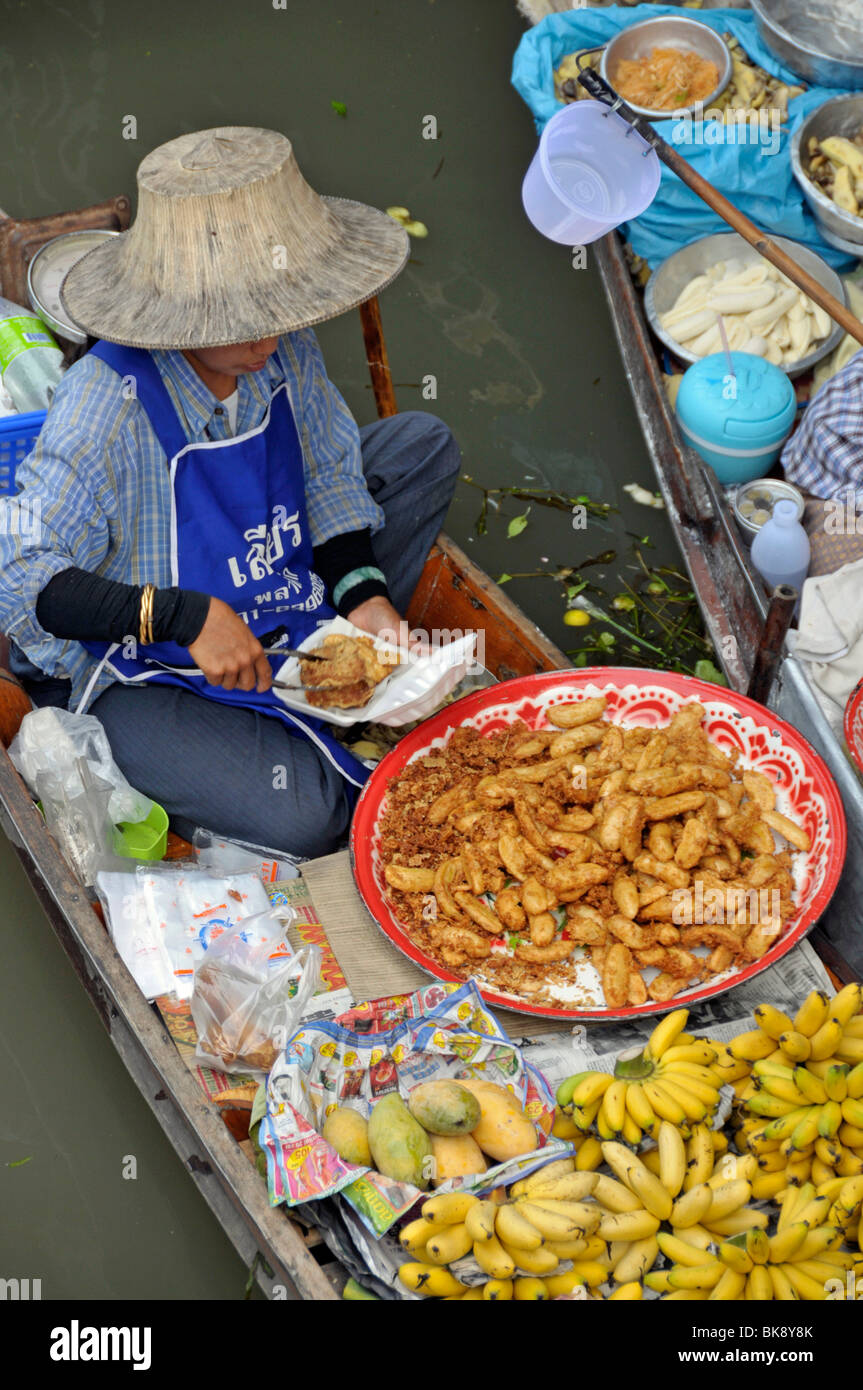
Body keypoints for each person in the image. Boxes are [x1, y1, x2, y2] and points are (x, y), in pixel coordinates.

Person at [0, 127, 461, 857]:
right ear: (182, 317)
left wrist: (365, 599)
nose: (273, 338)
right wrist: (185, 617)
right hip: (142, 662)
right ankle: (210, 745)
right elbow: (23, 582)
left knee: (421, 447)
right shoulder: (105, 406)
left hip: (271, 582)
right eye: (248, 322)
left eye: (280, 316)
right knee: (307, 818)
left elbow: (329, 479)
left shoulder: (279, 345)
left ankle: (342, 639)